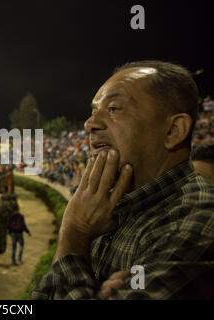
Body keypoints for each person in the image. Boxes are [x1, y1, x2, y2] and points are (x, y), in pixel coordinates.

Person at [31, 60, 214, 300]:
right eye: (94, 111)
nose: (90, 124)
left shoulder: (199, 219)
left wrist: (74, 235)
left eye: (114, 108)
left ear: (173, 131)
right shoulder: (112, 205)